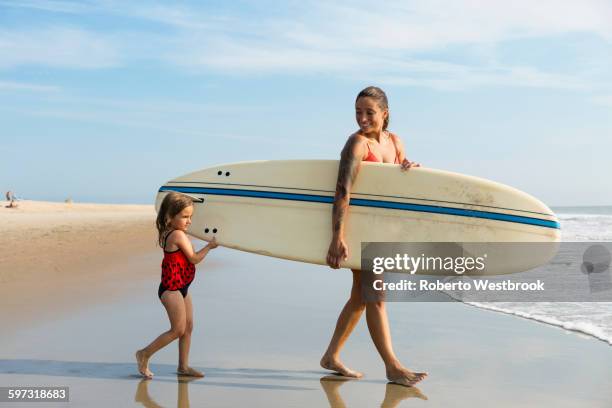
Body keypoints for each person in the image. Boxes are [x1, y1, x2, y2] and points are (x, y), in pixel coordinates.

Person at [321, 86, 427, 386]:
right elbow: (343, 190)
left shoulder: (395, 143)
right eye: (358, 112)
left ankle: (331, 356)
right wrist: (337, 236)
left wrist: (409, 168)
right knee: (376, 296)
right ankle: (393, 367)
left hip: (381, 229)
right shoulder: (356, 145)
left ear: (385, 113)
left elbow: (394, 187)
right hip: (356, 229)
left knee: (360, 298)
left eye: (369, 112)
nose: (363, 119)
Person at [136, 192, 218, 379]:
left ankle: (183, 367)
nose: (189, 221)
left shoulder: (172, 231)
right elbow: (194, 258)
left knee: (188, 327)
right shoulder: (177, 235)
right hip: (171, 290)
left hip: (182, 286)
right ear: (170, 217)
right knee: (178, 329)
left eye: (191, 217)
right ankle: (144, 354)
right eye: (185, 217)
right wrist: (209, 247)